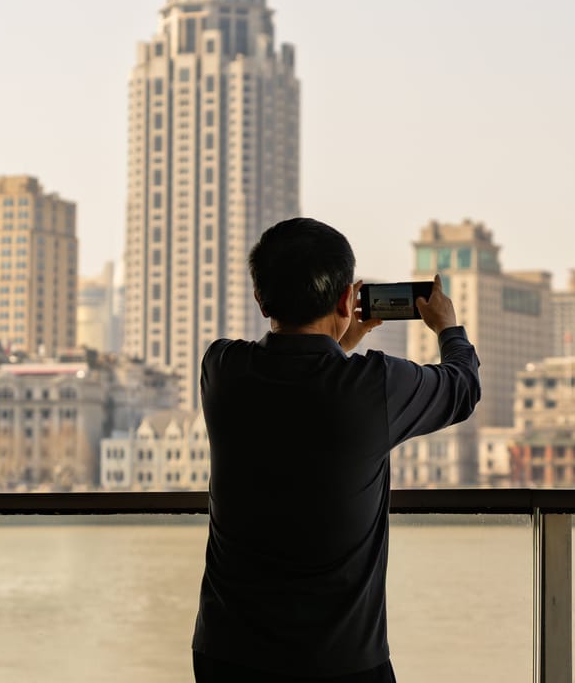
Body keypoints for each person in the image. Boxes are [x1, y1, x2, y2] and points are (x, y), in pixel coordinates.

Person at [191, 217, 481, 682]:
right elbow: (463, 388)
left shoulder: (221, 369)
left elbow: (300, 386)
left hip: (227, 653)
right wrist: (447, 326)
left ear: (260, 299)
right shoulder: (376, 386)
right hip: (340, 662)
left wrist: (343, 341)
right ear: (347, 298)